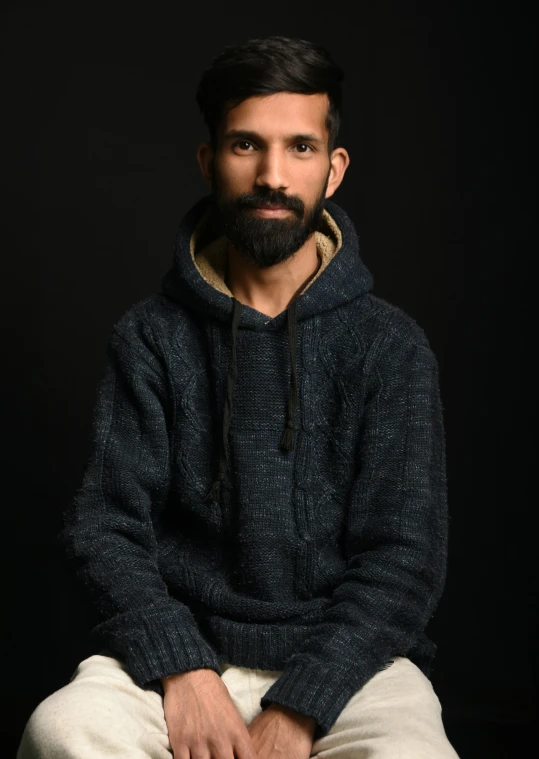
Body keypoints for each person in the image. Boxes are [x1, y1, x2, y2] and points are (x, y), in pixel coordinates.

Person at [17, 35, 460, 759]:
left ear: (334, 167)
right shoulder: (149, 336)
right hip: (179, 652)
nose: (273, 175)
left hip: (351, 662)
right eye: (246, 144)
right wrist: (183, 670)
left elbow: (404, 558)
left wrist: (304, 703)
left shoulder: (390, 344)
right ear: (208, 160)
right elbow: (104, 527)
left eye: (300, 148)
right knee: (61, 731)